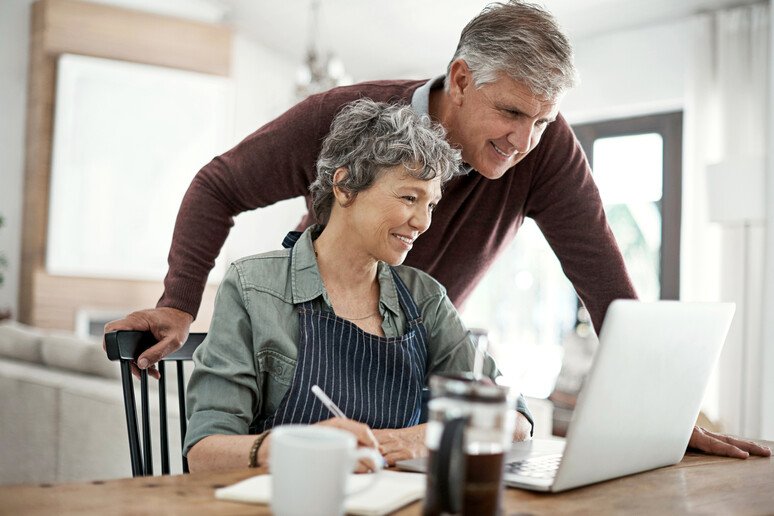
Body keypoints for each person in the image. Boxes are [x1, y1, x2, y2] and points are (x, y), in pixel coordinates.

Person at [106, 1, 770, 459]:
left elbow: (608, 290)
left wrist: (662, 417)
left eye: (541, 120)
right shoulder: (348, 121)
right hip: (305, 357)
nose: (523, 141)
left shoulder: (538, 158)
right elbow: (218, 184)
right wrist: (179, 300)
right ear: (459, 79)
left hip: (412, 381)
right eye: (510, 112)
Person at [183, 99, 531, 472]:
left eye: (430, 204)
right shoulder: (254, 288)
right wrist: (295, 447)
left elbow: (516, 420)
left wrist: (415, 439)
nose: (422, 222)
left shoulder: (424, 298)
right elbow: (204, 453)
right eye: (409, 197)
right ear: (345, 186)